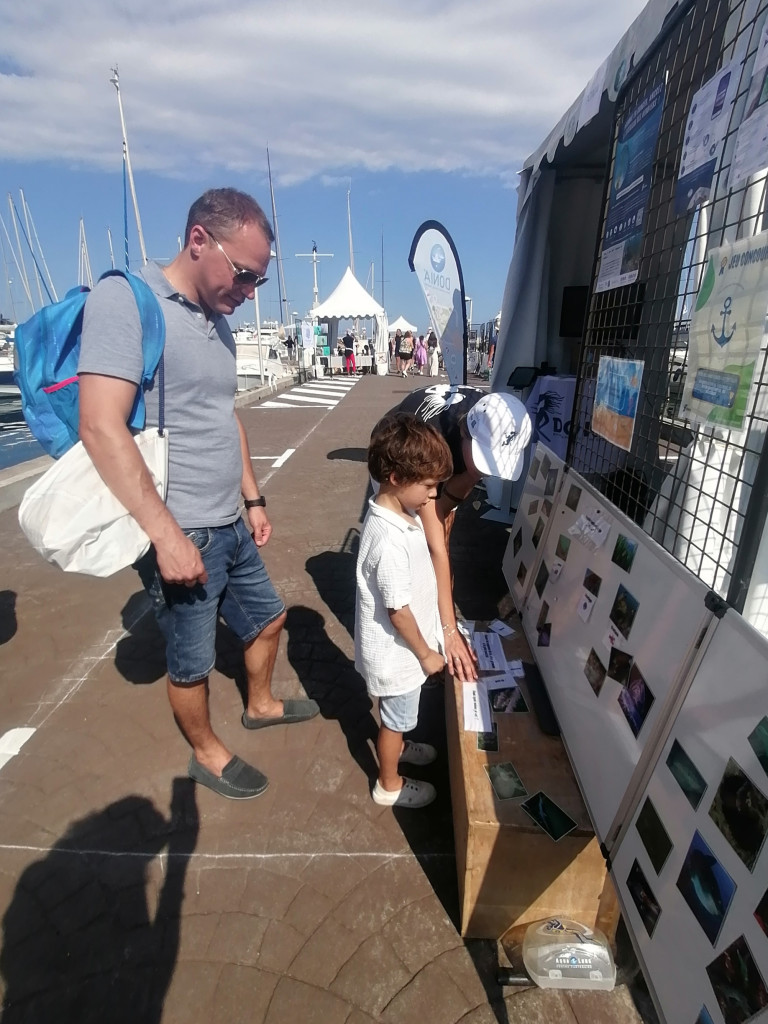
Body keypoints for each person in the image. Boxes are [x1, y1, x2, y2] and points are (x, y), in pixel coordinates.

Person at [78, 187, 319, 801]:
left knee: (269, 620)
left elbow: (223, 416)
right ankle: (205, 754)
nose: (249, 294)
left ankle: (259, 704)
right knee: (190, 662)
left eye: (258, 282)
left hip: (230, 523)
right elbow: (101, 426)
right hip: (181, 529)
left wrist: (254, 497)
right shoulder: (125, 300)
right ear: (198, 241)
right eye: (244, 276)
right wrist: (165, 537)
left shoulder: (218, 324)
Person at [386, 385, 531, 681]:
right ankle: (415, 647)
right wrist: (451, 631)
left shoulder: (492, 414)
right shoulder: (433, 442)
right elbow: (438, 549)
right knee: (418, 550)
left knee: (441, 541)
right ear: (467, 434)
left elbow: (460, 488)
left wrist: (451, 503)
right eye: (482, 459)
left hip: (444, 453)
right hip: (396, 451)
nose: (486, 470)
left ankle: (437, 627)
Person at [355, 413, 453, 808]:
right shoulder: (389, 542)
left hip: (399, 653)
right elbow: (398, 611)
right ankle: (389, 783)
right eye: (428, 487)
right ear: (396, 477)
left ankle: (396, 745)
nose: (433, 497)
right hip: (400, 656)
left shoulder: (396, 513)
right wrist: (427, 654)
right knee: (395, 718)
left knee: (394, 716)